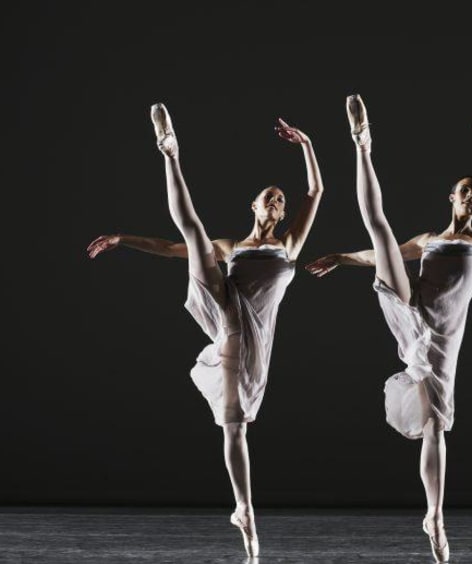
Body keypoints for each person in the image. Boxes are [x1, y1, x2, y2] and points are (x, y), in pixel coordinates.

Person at [88, 103, 324, 558]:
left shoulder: (289, 244)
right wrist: (124, 239)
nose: (276, 202)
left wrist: (308, 145)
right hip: (225, 307)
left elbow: (315, 190)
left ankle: (244, 510)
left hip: (249, 341)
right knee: (196, 233)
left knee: (233, 428)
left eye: (281, 200)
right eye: (268, 197)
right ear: (253, 206)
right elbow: (169, 246)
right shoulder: (231, 246)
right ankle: (169, 151)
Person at [305, 94, 472, 562]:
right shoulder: (429, 239)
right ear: (451, 196)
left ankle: (434, 516)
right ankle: (362, 143)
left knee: (433, 428)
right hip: (411, 308)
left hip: (441, 340)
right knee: (380, 232)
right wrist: (343, 258)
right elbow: (381, 255)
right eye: (465, 190)